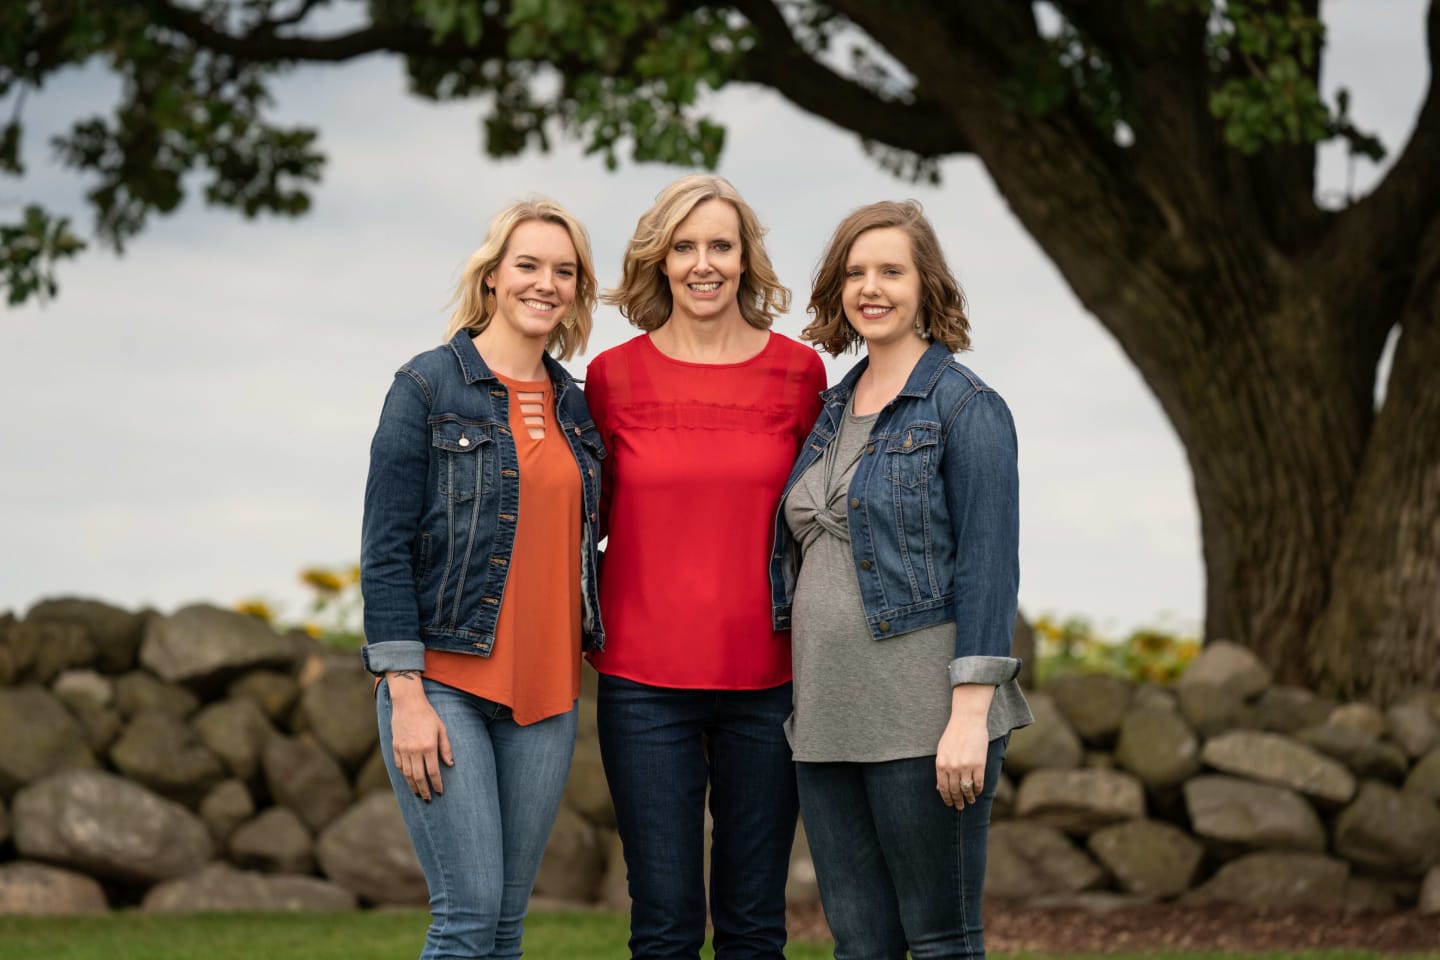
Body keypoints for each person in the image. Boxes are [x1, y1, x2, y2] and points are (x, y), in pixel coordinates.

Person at [769, 200, 1033, 959]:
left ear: (927, 286)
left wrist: (968, 717)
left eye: (891, 270)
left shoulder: (968, 408)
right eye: (855, 272)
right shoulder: (828, 410)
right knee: (861, 946)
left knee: (943, 940)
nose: (870, 287)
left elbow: (989, 568)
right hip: (824, 722)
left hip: (926, 720)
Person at [585, 174, 827, 959]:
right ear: (658, 260)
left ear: (746, 258)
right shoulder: (610, 378)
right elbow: (586, 518)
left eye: (720, 245)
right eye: (683, 247)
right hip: (642, 684)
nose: (702, 264)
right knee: (663, 925)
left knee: (755, 926)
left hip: (771, 681)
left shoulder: (799, 376)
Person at [359, 198, 607, 959]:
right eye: (528, 265)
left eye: (563, 271)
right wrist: (405, 696)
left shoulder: (577, 407)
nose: (546, 283)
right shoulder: (429, 386)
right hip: (444, 688)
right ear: (493, 277)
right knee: (465, 919)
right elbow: (384, 548)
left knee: (504, 927)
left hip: (547, 701)